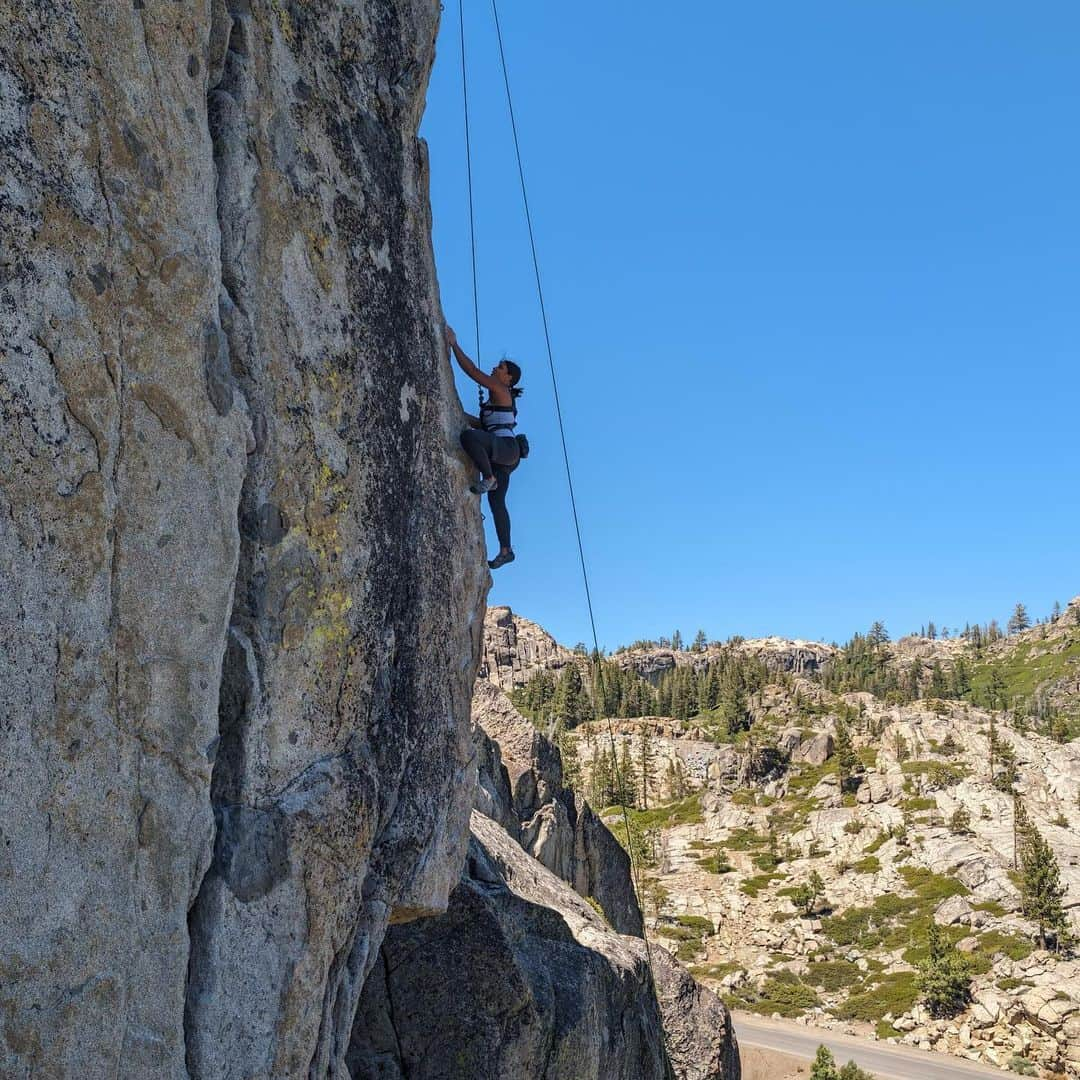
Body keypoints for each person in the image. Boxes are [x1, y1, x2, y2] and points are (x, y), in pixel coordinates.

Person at [446, 324, 522, 570]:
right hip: (504, 454)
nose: (495, 369)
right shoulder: (496, 400)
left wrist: (453, 344)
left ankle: (488, 476)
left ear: (508, 378)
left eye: (501, 368)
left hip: (506, 449)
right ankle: (506, 550)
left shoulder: (501, 390)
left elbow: (472, 371)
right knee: (497, 502)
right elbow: (483, 424)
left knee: (469, 438)